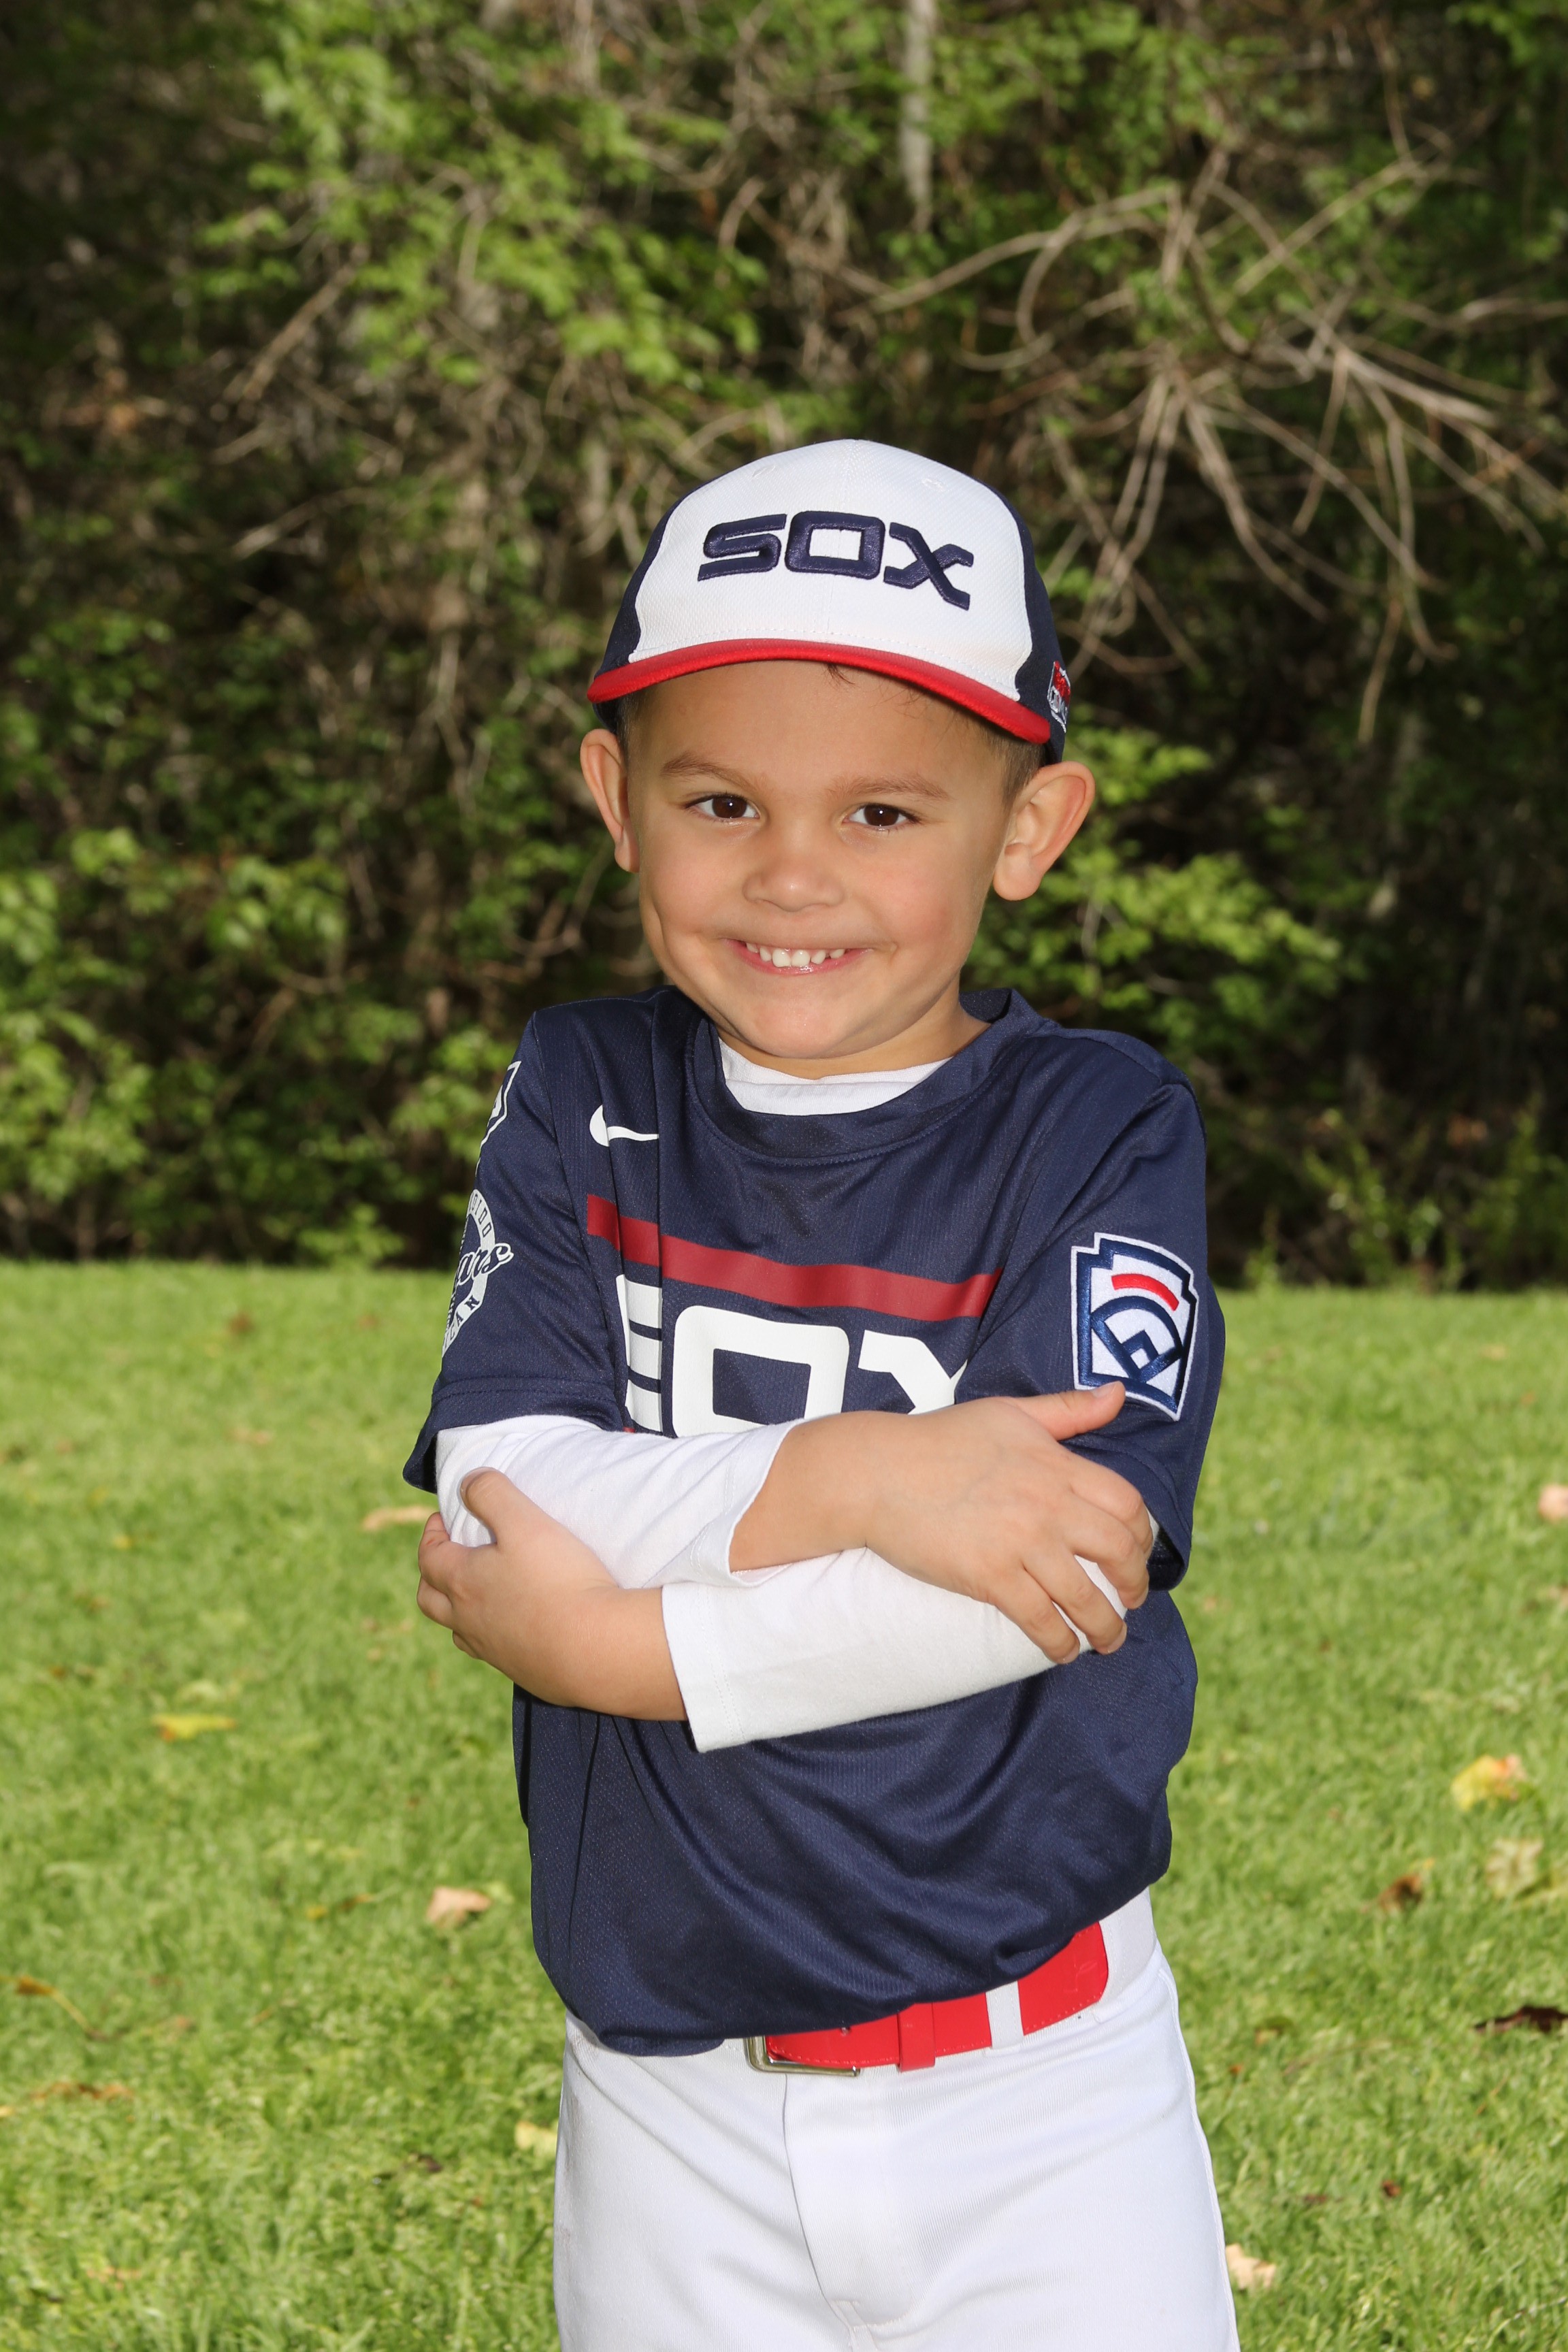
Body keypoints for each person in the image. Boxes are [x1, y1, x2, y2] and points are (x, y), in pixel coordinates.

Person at [406, 438, 1238, 2351]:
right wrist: (860, 1480)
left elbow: (1058, 1576)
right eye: (722, 800)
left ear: (1027, 826)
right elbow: (503, 1485)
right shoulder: (587, 1090)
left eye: (882, 811)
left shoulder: (1093, 1126)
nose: (793, 873)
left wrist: (621, 1652)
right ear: (617, 799)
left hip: (1042, 2096)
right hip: (667, 2100)